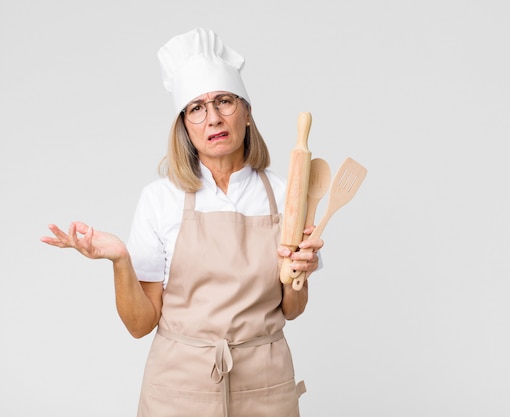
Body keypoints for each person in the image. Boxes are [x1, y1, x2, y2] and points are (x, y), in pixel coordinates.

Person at [40, 27, 323, 417]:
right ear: (185, 126)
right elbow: (141, 325)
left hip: (265, 385)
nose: (213, 119)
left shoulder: (287, 193)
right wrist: (120, 258)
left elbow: (292, 308)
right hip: (179, 389)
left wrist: (300, 273)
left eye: (224, 101)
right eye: (197, 108)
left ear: (247, 111)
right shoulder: (161, 199)